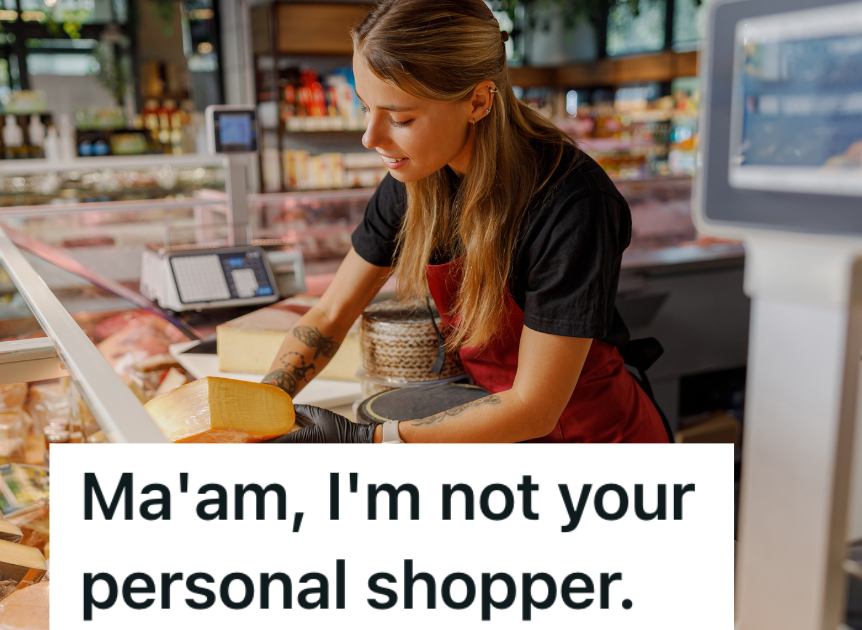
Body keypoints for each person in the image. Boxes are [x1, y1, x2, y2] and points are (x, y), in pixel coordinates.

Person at [264, 0, 668, 444]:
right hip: (493, 423)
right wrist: (261, 408)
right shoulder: (414, 177)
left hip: (593, 441)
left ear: (477, 100)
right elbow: (330, 312)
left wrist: (368, 441)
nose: (370, 137)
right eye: (365, 108)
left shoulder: (572, 203)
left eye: (400, 118)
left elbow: (535, 408)